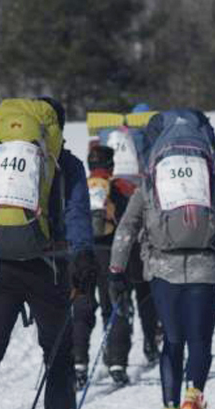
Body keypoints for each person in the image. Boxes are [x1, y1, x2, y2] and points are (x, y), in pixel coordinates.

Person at [0, 97, 93, 409]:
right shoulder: (66, 165)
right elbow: (78, 216)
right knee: (58, 358)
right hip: (49, 270)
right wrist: (83, 258)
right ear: (56, 131)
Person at [108, 109, 215, 409]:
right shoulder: (207, 179)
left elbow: (126, 229)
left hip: (163, 269)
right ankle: (193, 398)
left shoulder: (149, 183)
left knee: (173, 342)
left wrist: (116, 271)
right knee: (201, 341)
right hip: (206, 268)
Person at [70, 136, 157, 390]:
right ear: (111, 165)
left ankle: (78, 362)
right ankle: (117, 363)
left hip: (82, 254)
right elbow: (132, 219)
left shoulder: (80, 187)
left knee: (83, 308)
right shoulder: (120, 187)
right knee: (116, 306)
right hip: (111, 254)